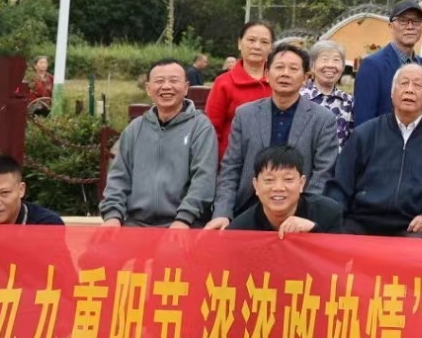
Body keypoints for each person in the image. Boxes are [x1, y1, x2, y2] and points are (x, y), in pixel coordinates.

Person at [207, 44, 339, 229]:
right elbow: (231, 168)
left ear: (305, 78)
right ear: (267, 75)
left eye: (293, 69)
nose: (285, 73)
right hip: (248, 207)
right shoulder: (245, 114)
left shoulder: (323, 119)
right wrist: (222, 213)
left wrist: (303, 212)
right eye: (279, 67)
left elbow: (323, 173)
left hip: (299, 211)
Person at [325, 63, 422, 237]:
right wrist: (329, 218)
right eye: (403, 83)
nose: (409, 90)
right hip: (361, 221)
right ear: (392, 92)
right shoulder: (365, 134)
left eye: (417, 85)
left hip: (412, 226)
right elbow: (340, 185)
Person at [100, 58, 220, 229]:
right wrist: (113, 216)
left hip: (186, 224)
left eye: (173, 80)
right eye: (159, 81)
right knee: (95, 246)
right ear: (148, 89)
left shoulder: (200, 127)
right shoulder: (135, 128)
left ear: (186, 88)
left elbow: (204, 179)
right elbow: (118, 178)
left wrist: (183, 219)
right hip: (135, 223)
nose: (166, 86)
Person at [230, 144, 345, 235]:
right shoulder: (239, 230)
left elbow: (337, 255)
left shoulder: (328, 214)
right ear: (256, 185)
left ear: (301, 183)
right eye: (269, 180)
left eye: (288, 179)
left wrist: (314, 230)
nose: (278, 188)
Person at [205, 22, 274, 159]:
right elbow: (212, 129)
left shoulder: (279, 81)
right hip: (232, 162)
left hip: (273, 164)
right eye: (251, 40)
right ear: (239, 43)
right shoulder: (224, 82)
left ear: (271, 48)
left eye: (264, 42)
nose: (257, 46)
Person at [353, 0, 422, 127]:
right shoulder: (372, 66)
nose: (410, 26)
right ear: (391, 26)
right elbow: (363, 122)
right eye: (403, 21)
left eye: (416, 21)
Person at [303, 40, 355, 146]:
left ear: (343, 67)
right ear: (312, 66)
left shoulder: (349, 101)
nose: (330, 65)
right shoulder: (299, 98)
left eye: (336, 60)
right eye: (324, 59)